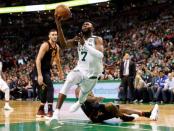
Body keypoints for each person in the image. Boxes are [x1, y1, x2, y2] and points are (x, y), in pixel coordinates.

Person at [51, 15, 104, 121]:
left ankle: (79, 102)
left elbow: (100, 55)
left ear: (92, 29)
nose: (85, 24)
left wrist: (85, 45)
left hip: (93, 72)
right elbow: (64, 45)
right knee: (69, 80)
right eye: (83, 24)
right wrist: (58, 25)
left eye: (88, 24)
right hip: (80, 69)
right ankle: (56, 114)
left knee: (83, 94)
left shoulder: (97, 39)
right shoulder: (78, 39)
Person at [75, 87, 159, 123]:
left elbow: (92, 101)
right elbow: (84, 99)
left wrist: (95, 98)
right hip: (95, 115)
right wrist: (95, 98)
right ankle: (123, 117)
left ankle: (147, 114)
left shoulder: (87, 87)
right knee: (110, 105)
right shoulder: (79, 90)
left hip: (98, 110)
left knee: (119, 107)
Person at [35, 29, 64, 118]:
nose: (55, 36)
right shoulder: (45, 45)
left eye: (56, 34)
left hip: (47, 70)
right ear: (49, 36)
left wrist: (61, 72)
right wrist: (39, 75)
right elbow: (38, 60)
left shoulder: (57, 47)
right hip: (39, 69)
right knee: (50, 86)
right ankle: (50, 110)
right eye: (53, 34)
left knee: (45, 89)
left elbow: (58, 60)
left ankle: (40, 109)